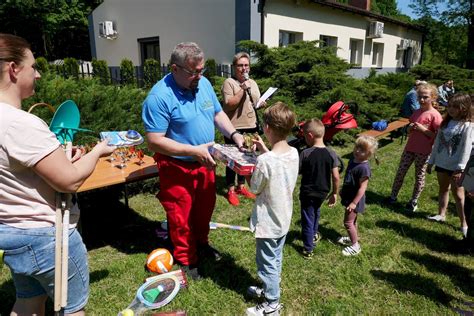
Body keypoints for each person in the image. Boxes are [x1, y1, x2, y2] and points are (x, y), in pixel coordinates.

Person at [0, 33, 115, 315]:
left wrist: (64, 161)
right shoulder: (21, 124)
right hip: (46, 235)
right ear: (13, 69)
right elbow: (70, 180)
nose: (38, 75)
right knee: (72, 309)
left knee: (28, 302)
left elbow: (18, 171)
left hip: (12, 234)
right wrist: (97, 151)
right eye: (33, 67)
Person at [142, 42, 244, 280]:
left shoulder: (204, 84)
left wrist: (235, 134)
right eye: (193, 72)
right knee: (181, 216)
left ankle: (202, 244)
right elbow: (154, 141)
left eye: (202, 70)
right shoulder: (159, 97)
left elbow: (217, 114)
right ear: (175, 69)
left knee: (204, 210)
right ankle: (187, 259)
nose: (199, 76)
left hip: (204, 163)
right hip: (177, 167)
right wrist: (192, 150)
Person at [245, 102, 298, 316]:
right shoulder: (293, 152)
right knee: (275, 257)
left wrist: (246, 167)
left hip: (268, 222)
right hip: (283, 217)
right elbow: (277, 163)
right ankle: (270, 287)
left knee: (266, 261)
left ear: (267, 128)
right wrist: (263, 150)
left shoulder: (265, 161)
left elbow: (255, 187)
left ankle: (272, 304)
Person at [387, 83, 443, 212]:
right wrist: (409, 129)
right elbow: (408, 130)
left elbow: (438, 137)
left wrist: (424, 130)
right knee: (400, 172)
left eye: (425, 97)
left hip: (423, 151)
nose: (422, 100)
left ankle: (413, 201)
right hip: (410, 148)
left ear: (433, 98)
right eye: (419, 97)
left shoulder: (435, 115)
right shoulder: (417, 112)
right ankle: (393, 197)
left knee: (419, 176)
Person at [427, 94, 473, 238]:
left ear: (463, 108)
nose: (451, 109)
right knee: (443, 189)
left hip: (456, 167)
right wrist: (431, 161)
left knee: (459, 195)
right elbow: (437, 145)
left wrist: (460, 168)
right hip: (441, 163)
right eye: (450, 105)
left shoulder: (468, 126)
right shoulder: (445, 123)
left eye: (455, 107)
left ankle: (463, 223)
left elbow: (466, 148)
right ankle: (441, 214)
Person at [221, 52, 263, 206]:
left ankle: (241, 186)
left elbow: (255, 101)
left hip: (251, 125)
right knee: (232, 160)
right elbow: (229, 104)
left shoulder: (253, 82)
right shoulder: (229, 83)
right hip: (234, 127)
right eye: (240, 65)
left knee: (247, 158)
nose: (243, 68)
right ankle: (231, 190)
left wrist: (260, 103)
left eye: (246, 65)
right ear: (234, 67)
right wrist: (242, 89)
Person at [298, 118, 340, 259]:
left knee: (307, 218)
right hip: (323, 191)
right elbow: (335, 176)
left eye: (304, 136)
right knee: (316, 211)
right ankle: (314, 234)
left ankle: (308, 248)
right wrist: (335, 193)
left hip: (308, 192)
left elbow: (297, 171)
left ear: (309, 135)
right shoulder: (331, 153)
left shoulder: (305, 153)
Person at [337, 136, 378, 256]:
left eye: (362, 150)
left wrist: (354, 203)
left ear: (369, 154)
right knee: (353, 221)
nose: (357, 151)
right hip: (348, 196)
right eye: (357, 147)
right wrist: (342, 190)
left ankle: (355, 246)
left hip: (355, 200)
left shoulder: (364, 168)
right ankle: (353, 237)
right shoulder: (352, 160)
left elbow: (362, 188)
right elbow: (349, 178)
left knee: (348, 222)